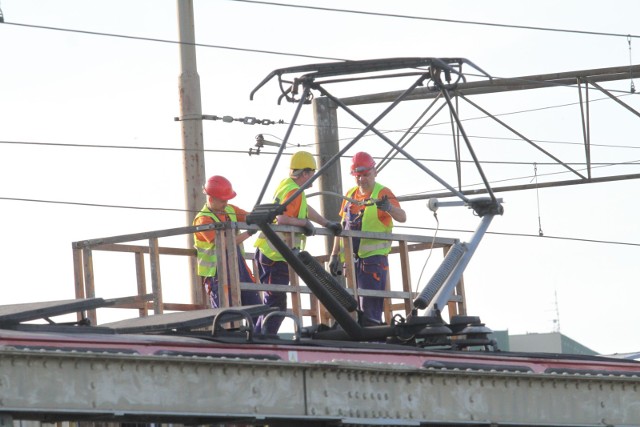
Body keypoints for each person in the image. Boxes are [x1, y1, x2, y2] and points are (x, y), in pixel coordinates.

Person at [254, 151, 342, 334]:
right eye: (312, 174)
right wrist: (303, 224)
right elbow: (281, 218)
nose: (313, 179)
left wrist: (326, 223)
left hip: (272, 254)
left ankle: (261, 335)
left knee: (274, 301)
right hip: (274, 255)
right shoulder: (293, 190)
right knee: (275, 302)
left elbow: (304, 209)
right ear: (305, 173)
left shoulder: (291, 188)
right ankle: (264, 337)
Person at [329, 152, 406, 325]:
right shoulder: (350, 195)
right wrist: (334, 255)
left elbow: (402, 217)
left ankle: (372, 340)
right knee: (351, 306)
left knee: (370, 308)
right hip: (350, 262)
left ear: (374, 172)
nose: (362, 180)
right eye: (358, 176)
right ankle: (360, 340)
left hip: (373, 262)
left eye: (366, 175)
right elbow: (341, 226)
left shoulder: (382, 192)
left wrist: (388, 208)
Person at [193, 175, 261, 309]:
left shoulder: (230, 210)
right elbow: (223, 244)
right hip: (218, 275)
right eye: (222, 201)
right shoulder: (203, 220)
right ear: (211, 199)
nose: (226, 204)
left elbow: (248, 217)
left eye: (227, 200)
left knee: (256, 310)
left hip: (239, 269)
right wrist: (249, 233)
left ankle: (257, 330)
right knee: (225, 316)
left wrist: (261, 216)